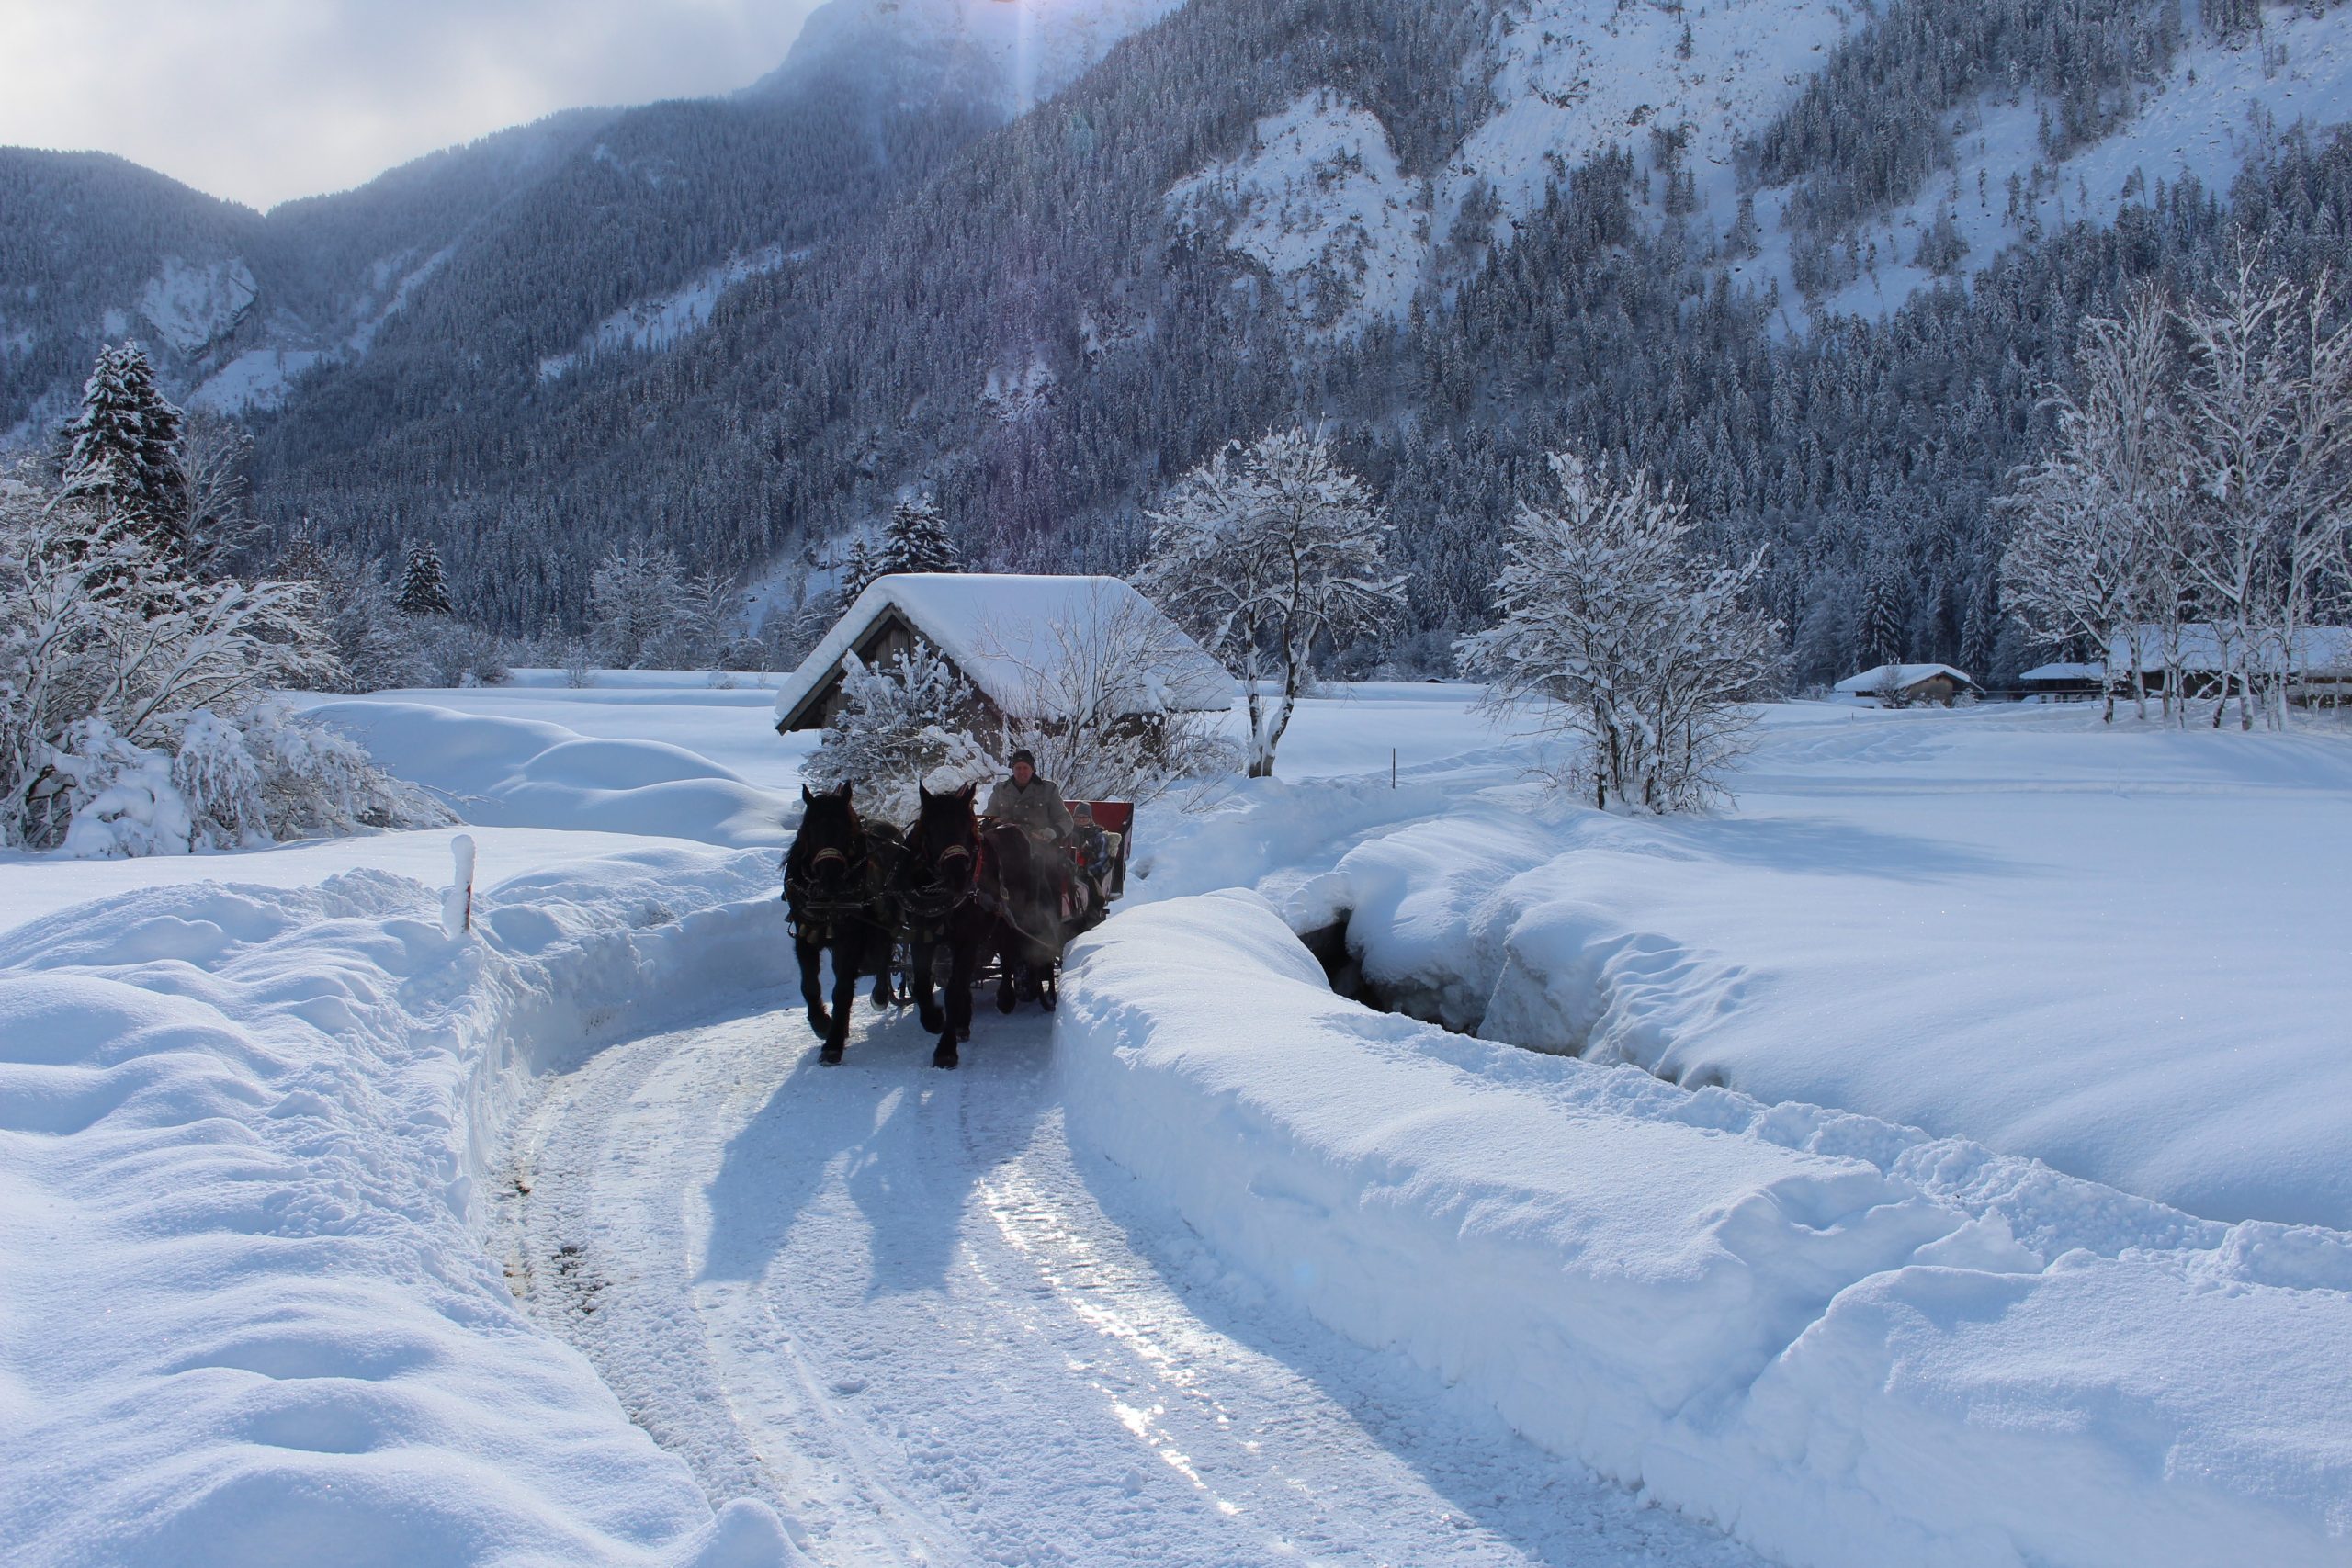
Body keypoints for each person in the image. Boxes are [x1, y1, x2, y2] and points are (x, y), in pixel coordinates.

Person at [983, 749, 1071, 841]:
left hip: (1039, 844)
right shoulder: (1000, 789)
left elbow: (1065, 819)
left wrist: (1054, 832)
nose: (1021, 772)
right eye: (1018, 768)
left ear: (1032, 769)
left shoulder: (1048, 789)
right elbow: (988, 816)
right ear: (1012, 770)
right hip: (1004, 842)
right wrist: (993, 822)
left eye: (1025, 768)